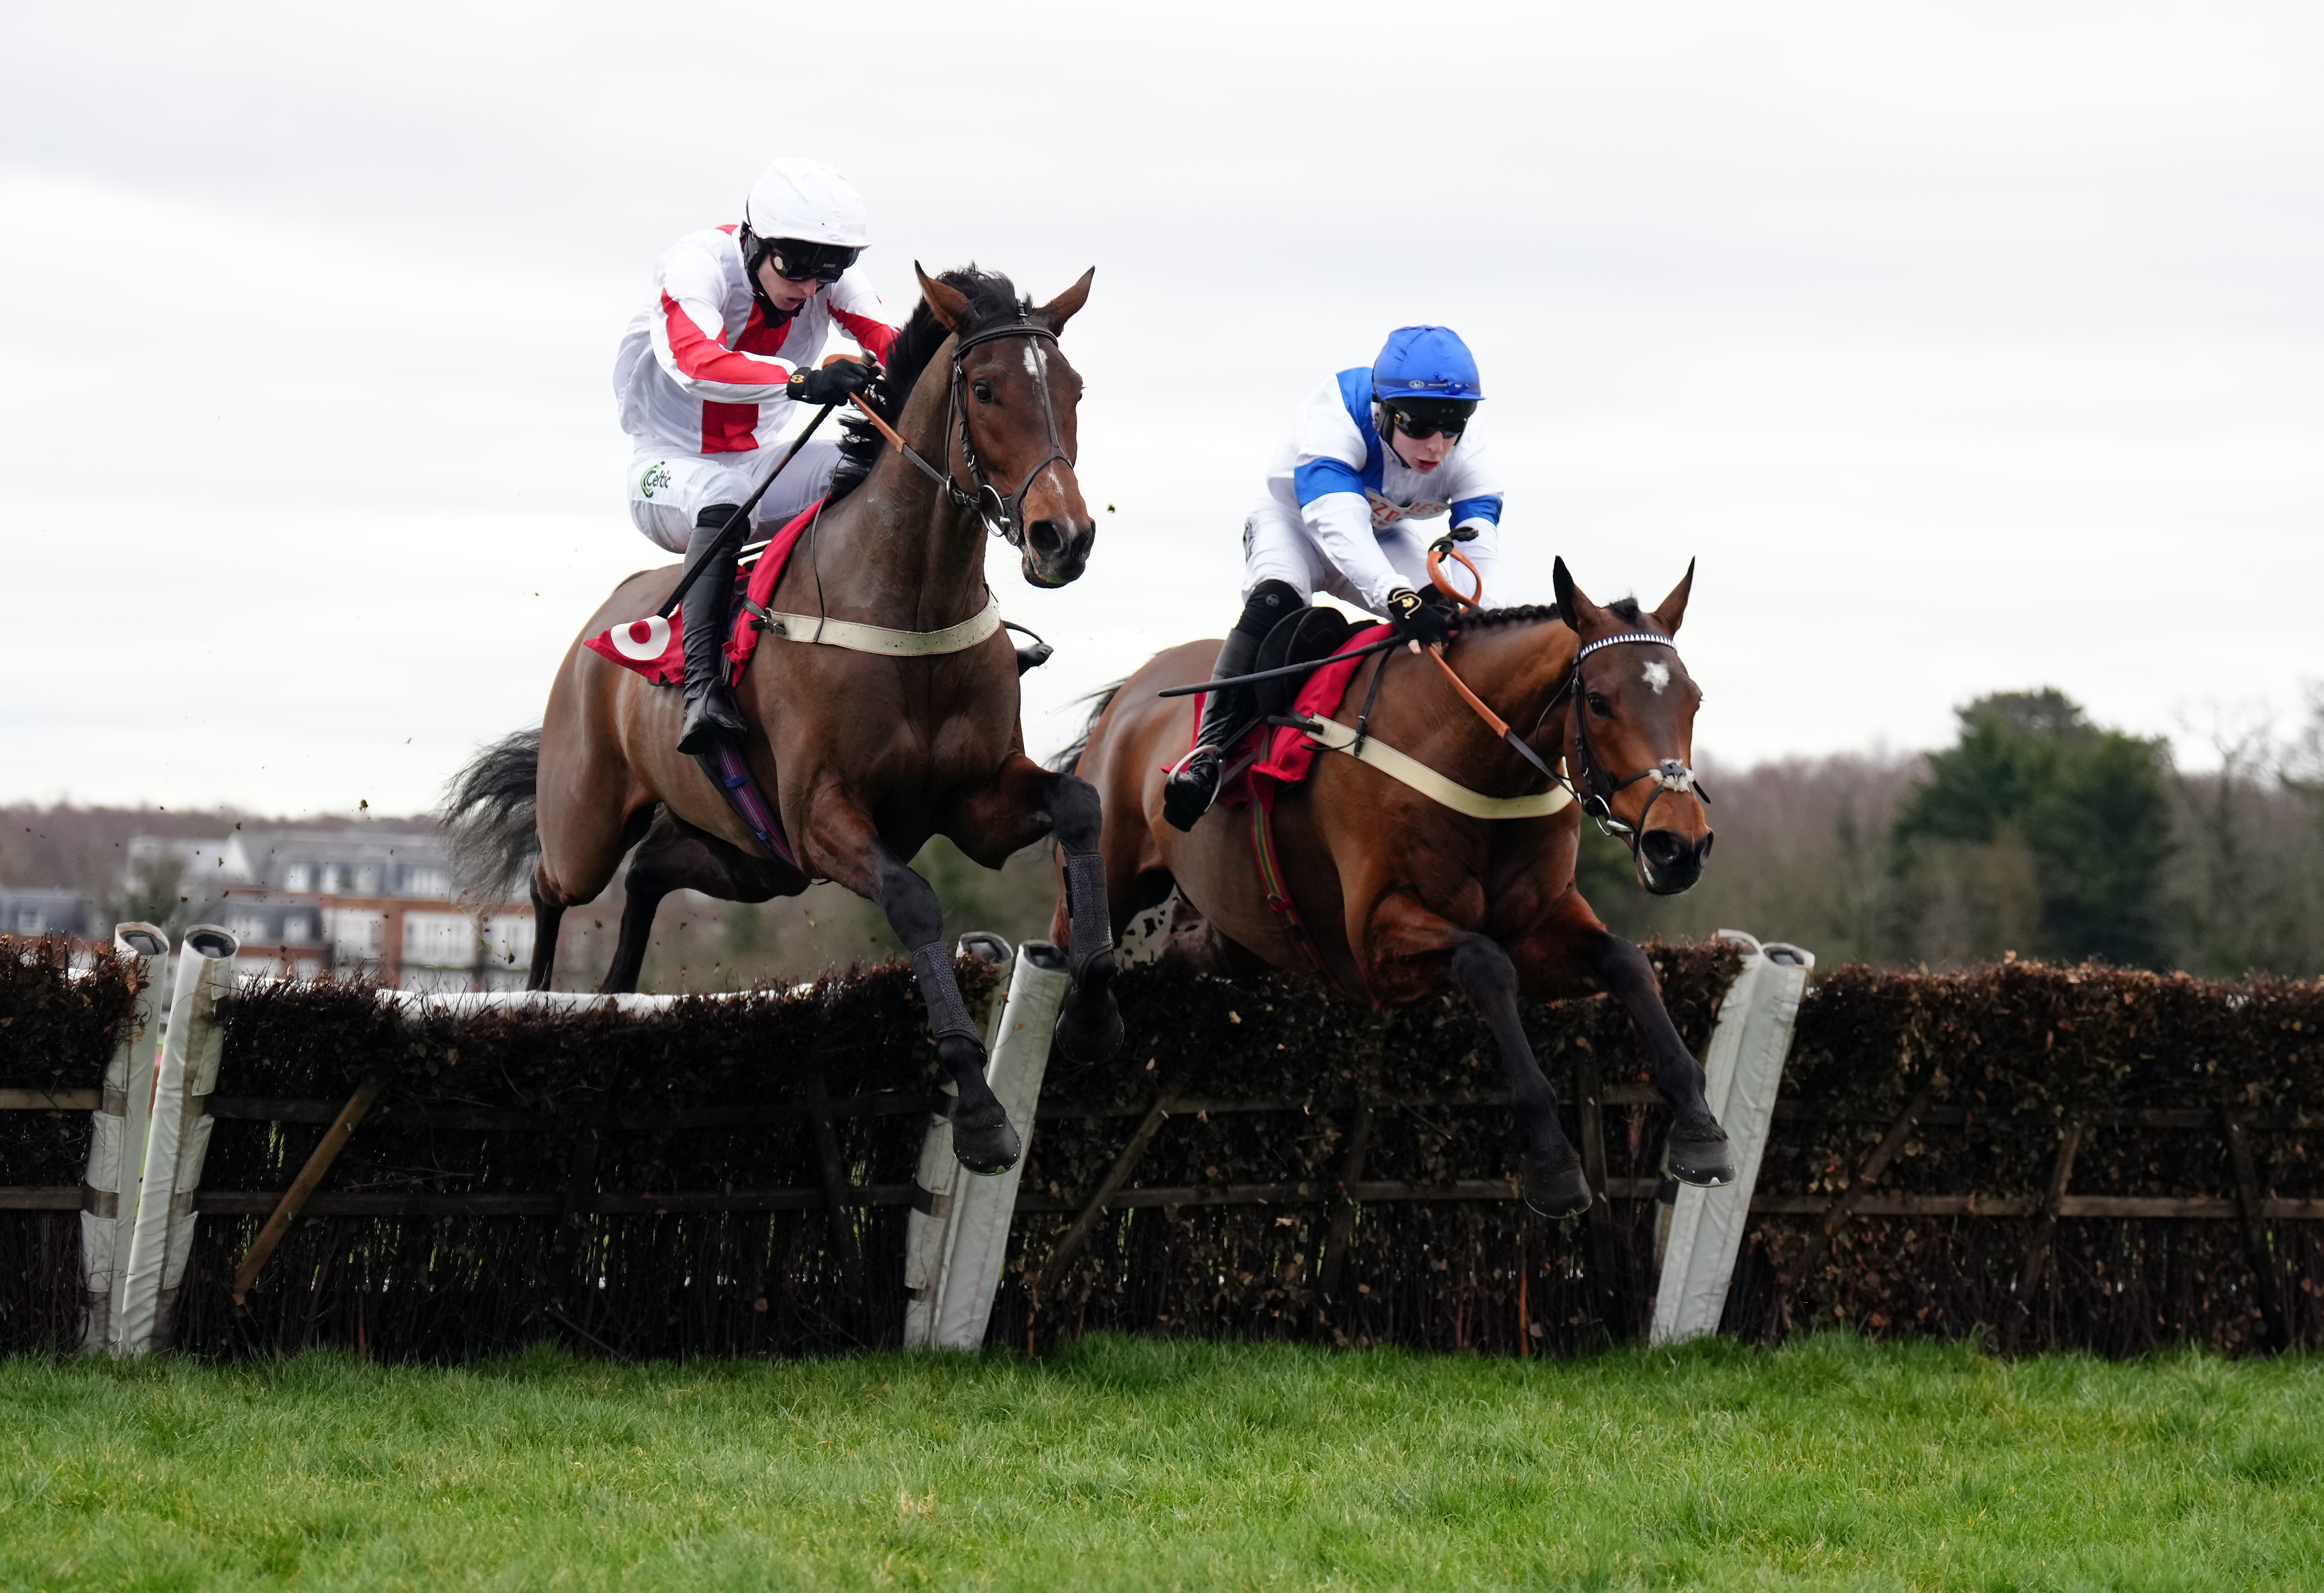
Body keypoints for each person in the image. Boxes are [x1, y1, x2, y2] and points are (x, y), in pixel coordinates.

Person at [1162, 326, 1506, 831]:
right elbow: (1336, 525)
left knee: (1452, 618)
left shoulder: (1467, 451)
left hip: (1380, 534)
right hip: (1297, 523)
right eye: (1419, 426)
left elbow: (1478, 552)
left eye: (1452, 427)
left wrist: (1485, 621)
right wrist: (1397, 597)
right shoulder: (1336, 412)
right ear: (1383, 409)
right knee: (1276, 598)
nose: (1436, 446)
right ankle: (1206, 752)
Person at [612, 157, 902, 754]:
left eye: (829, 271)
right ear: (752, 243)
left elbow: (899, 350)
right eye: (794, 268)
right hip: (666, 469)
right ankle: (702, 690)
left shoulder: (823, 284)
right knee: (725, 496)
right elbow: (697, 364)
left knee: (879, 470)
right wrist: (803, 380)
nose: (808, 289)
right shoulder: (694, 264)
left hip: (760, 461)